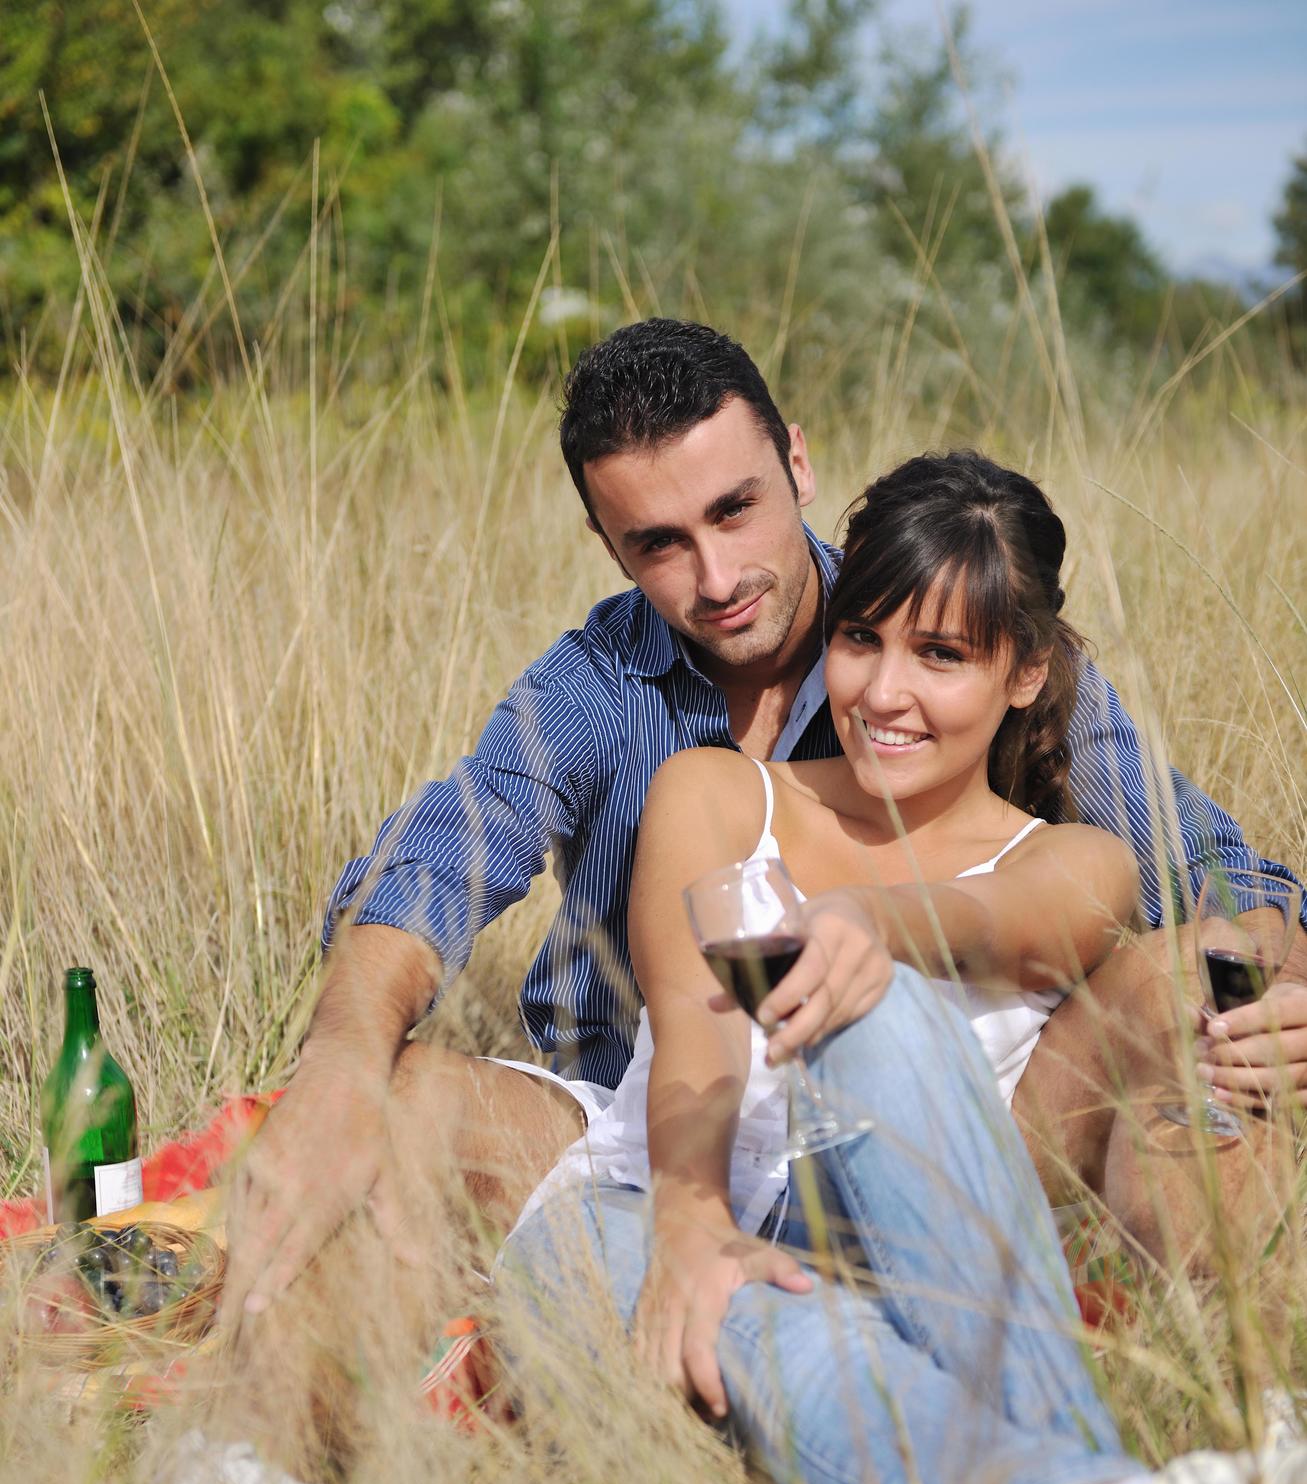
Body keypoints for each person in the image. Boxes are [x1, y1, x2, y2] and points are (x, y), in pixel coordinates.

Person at [220, 318, 1307, 1335]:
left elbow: (1204, 868)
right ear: (610, 547)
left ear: (796, 464)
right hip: (643, 1115)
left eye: (733, 509)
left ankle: (1225, 1376)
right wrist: (342, 1061)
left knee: (1208, 1009)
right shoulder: (595, 687)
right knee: (399, 1101)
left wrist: (1273, 977)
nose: (718, 578)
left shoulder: (934, 615)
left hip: (934, 1131)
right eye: (659, 543)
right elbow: (441, 857)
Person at [492, 449, 1307, 1484]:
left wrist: (874, 924)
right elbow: (695, 1045)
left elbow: (1005, 922)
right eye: (863, 639)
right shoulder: (716, 795)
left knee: (868, 1022)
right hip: (661, 1206)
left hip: (917, 1250)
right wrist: (695, 1228)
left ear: (1023, 673)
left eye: (942, 656)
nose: (881, 691)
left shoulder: (1080, 859)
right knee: (695, 1299)